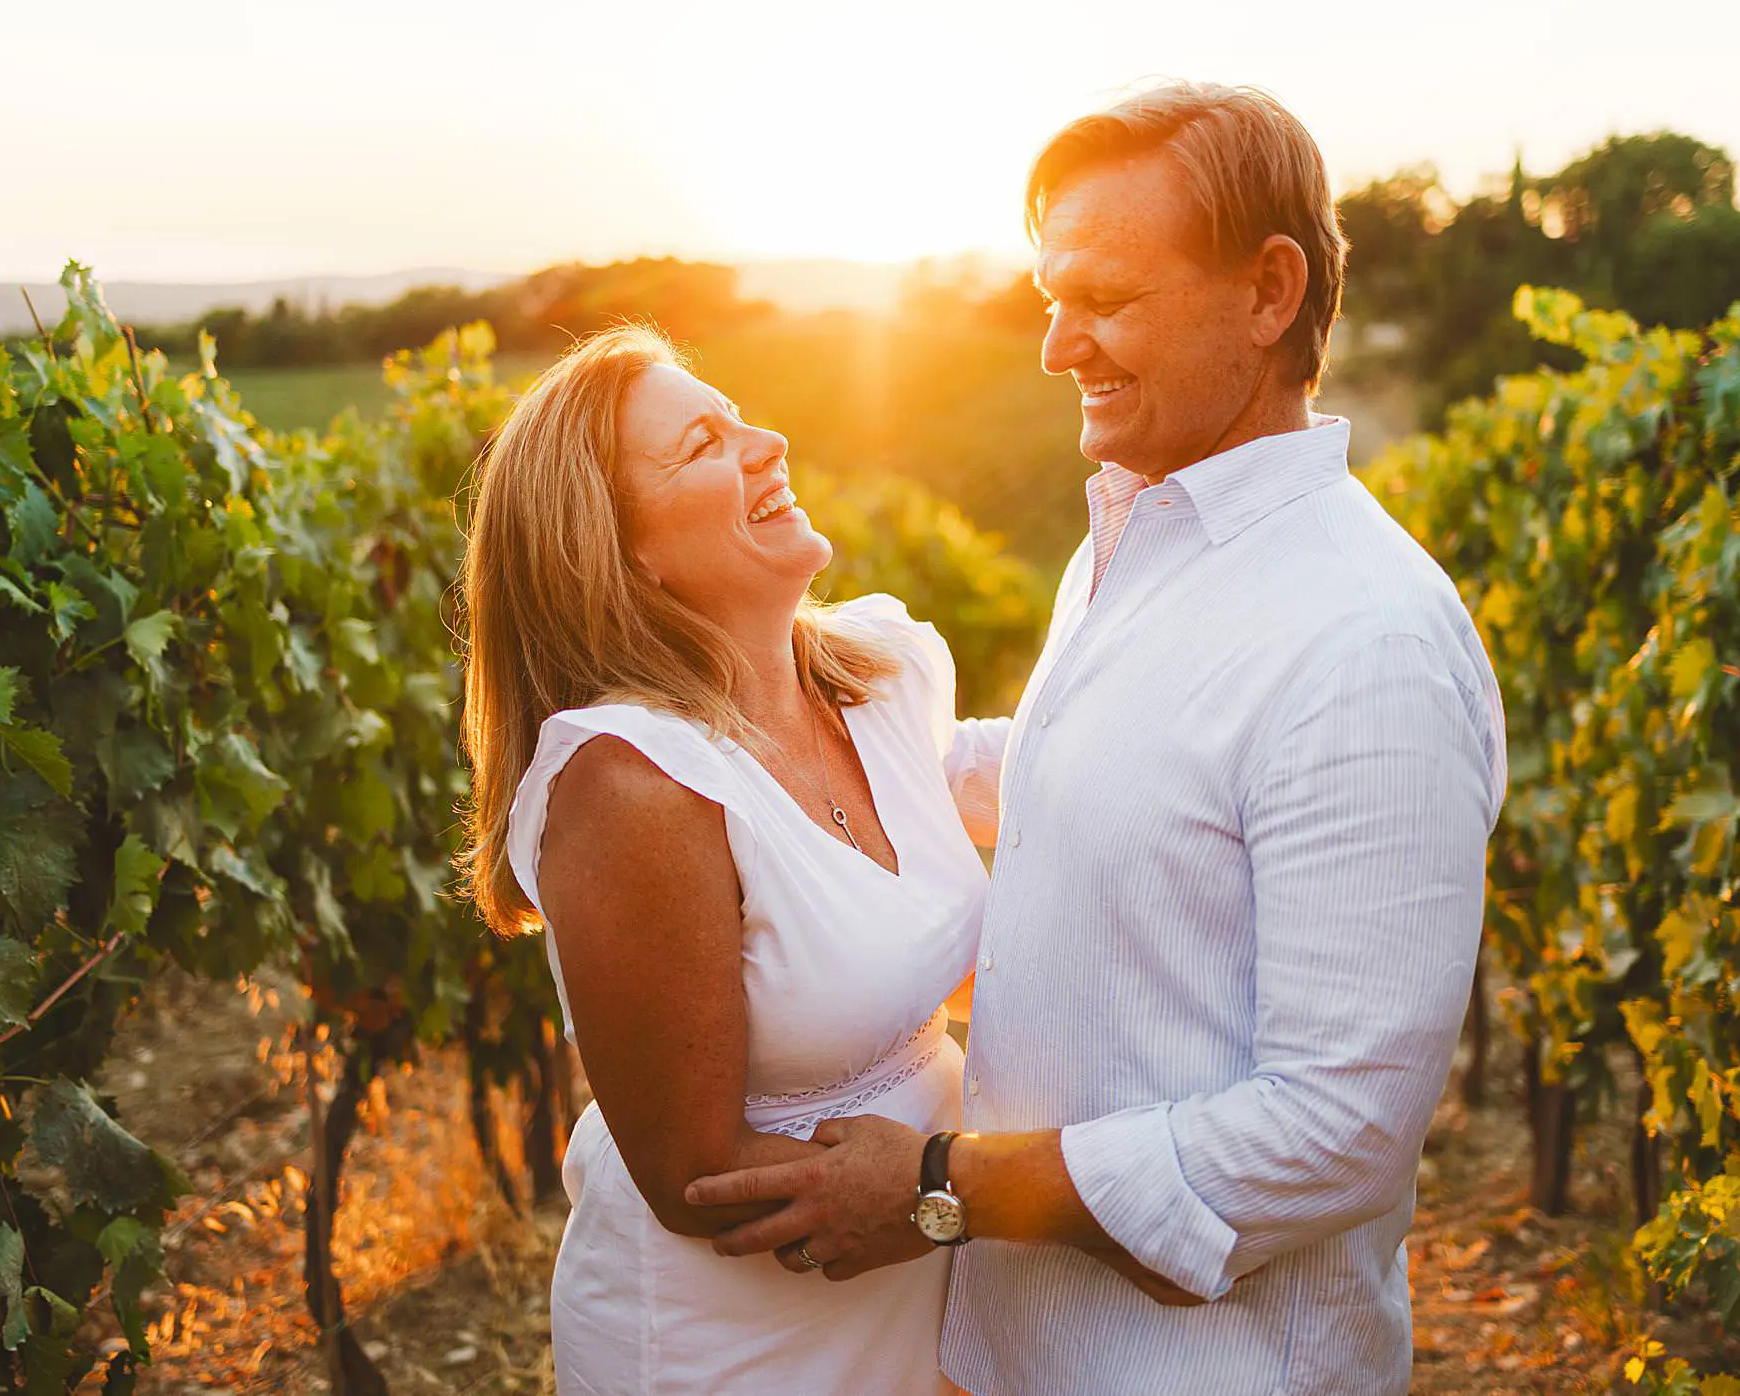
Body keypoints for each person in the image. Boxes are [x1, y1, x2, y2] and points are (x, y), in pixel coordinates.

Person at [685, 82, 1508, 1395]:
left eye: (1107, 300)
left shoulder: (1366, 645)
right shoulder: (1133, 528)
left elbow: (1340, 1127)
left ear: (1269, 291)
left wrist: (942, 1184)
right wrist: (786, 711)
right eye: (1049, 298)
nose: (1059, 347)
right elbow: (1086, 777)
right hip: (1017, 1349)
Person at [457, 325, 1004, 1394]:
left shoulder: (884, 678)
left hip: (921, 1288)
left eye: (741, 414)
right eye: (707, 442)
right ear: (620, 553)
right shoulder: (634, 786)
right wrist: (980, 1193)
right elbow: (691, 1175)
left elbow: (1048, 785)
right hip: (738, 1339)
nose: (771, 441)